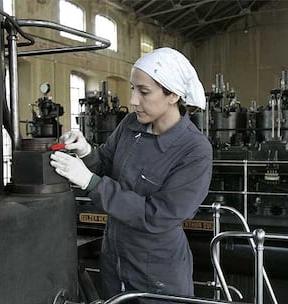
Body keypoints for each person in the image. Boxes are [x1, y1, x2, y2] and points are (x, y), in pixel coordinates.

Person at [50, 47, 213, 303]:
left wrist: (91, 183)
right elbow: (105, 162)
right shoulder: (130, 124)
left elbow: (157, 215)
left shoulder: (194, 150)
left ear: (173, 95)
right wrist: (85, 151)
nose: (134, 100)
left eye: (144, 91)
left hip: (158, 274)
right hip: (115, 259)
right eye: (133, 89)